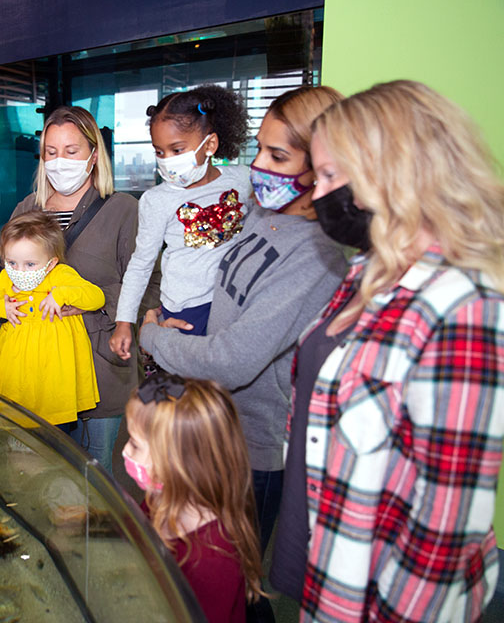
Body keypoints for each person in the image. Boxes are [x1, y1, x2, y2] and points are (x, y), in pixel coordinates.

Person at [280, 80, 504, 622]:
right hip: (330, 563)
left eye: (332, 175)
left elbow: (445, 526)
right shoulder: (365, 272)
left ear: (393, 172)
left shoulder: (463, 306)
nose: (317, 192)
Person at [136, 86, 349, 621]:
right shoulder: (262, 211)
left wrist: (155, 337)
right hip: (220, 426)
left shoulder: (317, 256)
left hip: (254, 447)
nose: (257, 166)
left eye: (278, 156)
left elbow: (235, 358)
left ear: (325, 164)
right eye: (259, 149)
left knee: (237, 584)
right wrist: (174, 318)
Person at [10, 105, 158, 473]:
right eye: (51, 152)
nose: (60, 162)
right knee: (47, 467)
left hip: (98, 361)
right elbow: (10, 271)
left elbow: (149, 282)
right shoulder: (28, 209)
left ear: (94, 155)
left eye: (71, 151)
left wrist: (93, 301)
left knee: (94, 473)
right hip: (42, 362)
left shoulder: (123, 210)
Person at [110, 84, 252, 363]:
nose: (167, 162)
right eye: (159, 152)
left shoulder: (242, 179)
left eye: (177, 150)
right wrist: (124, 321)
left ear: (209, 144)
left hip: (235, 303)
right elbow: (141, 264)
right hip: (186, 309)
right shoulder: (156, 200)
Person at [123, 372, 265, 622]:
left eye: (135, 443)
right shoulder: (161, 496)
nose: (124, 449)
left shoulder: (212, 561)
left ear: (176, 463)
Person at [0, 211, 105, 426]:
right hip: (16, 363)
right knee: (17, 418)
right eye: (11, 262)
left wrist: (62, 294)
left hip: (55, 365)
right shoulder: (5, 277)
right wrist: (3, 308)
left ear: (50, 263)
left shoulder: (60, 275)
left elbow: (96, 297)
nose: (19, 271)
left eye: (30, 264)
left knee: (55, 425)